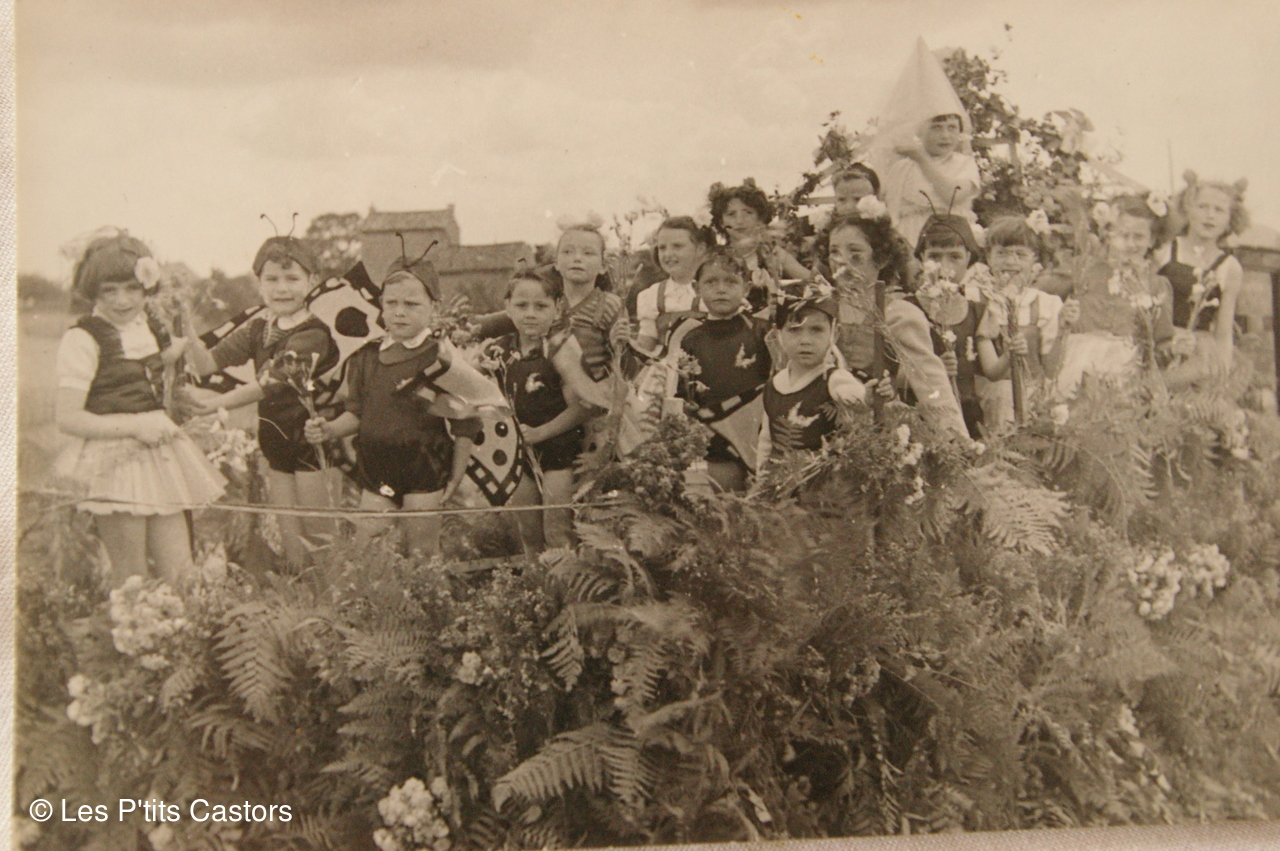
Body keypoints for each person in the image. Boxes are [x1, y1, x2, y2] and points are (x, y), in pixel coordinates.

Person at [55, 232, 225, 587]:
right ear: (93, 292)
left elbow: (149, 368)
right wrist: (135, 427)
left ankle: (178, 623)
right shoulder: (82, 338)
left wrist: (177, 361)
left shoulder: (145, 326)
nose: (122, 300)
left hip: (159, 455)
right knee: (132, 580)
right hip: (115, 458)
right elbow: (68, 417)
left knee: (180, 574)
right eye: (109, 290)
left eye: (133, 288)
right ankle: (133, 621)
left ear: (147, 286)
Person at [304, 257, 480, 555]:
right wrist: (329, 429)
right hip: (377, 473)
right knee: (368, 550)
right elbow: (356, 413)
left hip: (424, 471)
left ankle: (428, 585)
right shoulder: (366, 356)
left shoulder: (441, 357)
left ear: (434, 307)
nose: (399, 312)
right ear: (381, 305)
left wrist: (456, 474)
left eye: (411, 305)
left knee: (422, 552)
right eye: (391, 303)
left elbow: (466, 422)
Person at [185, 235, 339, 568]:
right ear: (259, 283)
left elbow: (269, 383)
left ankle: (328, 597)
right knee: (291, 540)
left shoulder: (314, 334)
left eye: (292, 278)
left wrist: (215, 405)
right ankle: (299, 593)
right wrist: (184, 323)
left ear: (312, 281)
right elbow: (205, 364)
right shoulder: (259, 329)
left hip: (313, 443)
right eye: (272, 279)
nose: (282, 288)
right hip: (276, 442)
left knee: (320, 539)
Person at [818, 203, 971, 441]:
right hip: (818, 430)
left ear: (881, 259)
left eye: (855, 253)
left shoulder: (899, 313)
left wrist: (958, 440)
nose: (842, 262)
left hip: (879, 437)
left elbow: (931, 384)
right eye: (834, 252)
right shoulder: (822, 308)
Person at [489, 271, 592, 550]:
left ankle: (564, 577)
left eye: (541, 306)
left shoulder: (560, 349)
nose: (530, 314)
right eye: (522, 306)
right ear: (507, 307)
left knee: (557, 532)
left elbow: (583, 407)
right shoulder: (499, 351)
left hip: (558, 451)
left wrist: (541, 432)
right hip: (518, 452)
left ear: (557, 308)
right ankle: (535, 577)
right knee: (529, 533)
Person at [665, 250, 773, 492]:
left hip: (756, 435)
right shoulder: (691, 337)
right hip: (712, 439)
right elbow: (683, 394)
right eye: (711, 282)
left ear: (746, 288)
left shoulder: (761, 331)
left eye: (731, 282)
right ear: (696, 288)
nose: (721, 289)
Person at [1055, 196, 1174, 399]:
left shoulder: (1156, 285)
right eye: (1123, 235)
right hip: (1078, 366)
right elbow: (1044, 294)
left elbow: (1162, 340)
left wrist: (1172, 350)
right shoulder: (1085, 270)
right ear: (1108, 235)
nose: (1130, 244)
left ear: (1152, 239)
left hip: (1127, 374)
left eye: (1139, 237)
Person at [756, 285, 865, 464]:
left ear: (834, 333)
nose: (805, 340)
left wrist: (862, 397)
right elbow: (766, 442)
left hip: (821, 478)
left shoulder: (835, 380)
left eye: (816, 330)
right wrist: (761, 476)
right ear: (779, 334)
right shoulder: (774, 385)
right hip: (778, 477)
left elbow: (856, 399)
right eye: (794, 330)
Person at [972, 216, 1064, 427]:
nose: (1010, 262)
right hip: (989, 397)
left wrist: (1064, 329)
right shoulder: (978, 299)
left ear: (1034, 259)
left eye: (1020, 255)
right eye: (1001, 253)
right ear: (988, 257)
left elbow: (1051, 368)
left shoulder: (1046, 304)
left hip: (1033, 396)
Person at [914, 214, 1000, 437]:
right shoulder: (910, 308)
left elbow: (992, 371)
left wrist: (1012, 352)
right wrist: (933, 369)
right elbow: (896, 374)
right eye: (934, 256)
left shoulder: (976, 309)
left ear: (969, 258)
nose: (944, 267)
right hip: (925, 416)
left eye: (955, 257)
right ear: (922, 258)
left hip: (968, 413)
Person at [1155, 172, 1249, 371]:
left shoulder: (1230, 267)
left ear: (1230, 220)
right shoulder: (1164, 251)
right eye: (1202, 207)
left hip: (1198, 355)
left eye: (1219, 210)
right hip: (1158, 346)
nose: (1210, 215)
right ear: (1188, 210)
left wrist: (1222, 372)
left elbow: (1223, 333)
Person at [708, 179, 811, 312]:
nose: (740, 221)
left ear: (759, 219)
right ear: (722, 222)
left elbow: (815, 282)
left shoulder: (772, 253)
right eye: (731, 214)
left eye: (748, 213)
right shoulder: (715, 258)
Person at [883, 113, 981, 249]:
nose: (945, 135)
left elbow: (953, 195)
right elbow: (891, 207)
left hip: (948, 236)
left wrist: (922, 159)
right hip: (909, 235)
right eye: (936, 128)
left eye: (952, 128)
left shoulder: (964, 163)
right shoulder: (902, 166)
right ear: (919, 131)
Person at [630, 217, 712, 354]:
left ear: (700, 249)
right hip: (666, 365)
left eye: (677, 246)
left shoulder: (714, 290)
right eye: (662, 248)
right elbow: (646, 346)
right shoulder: (652, 295)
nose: (668, 254)